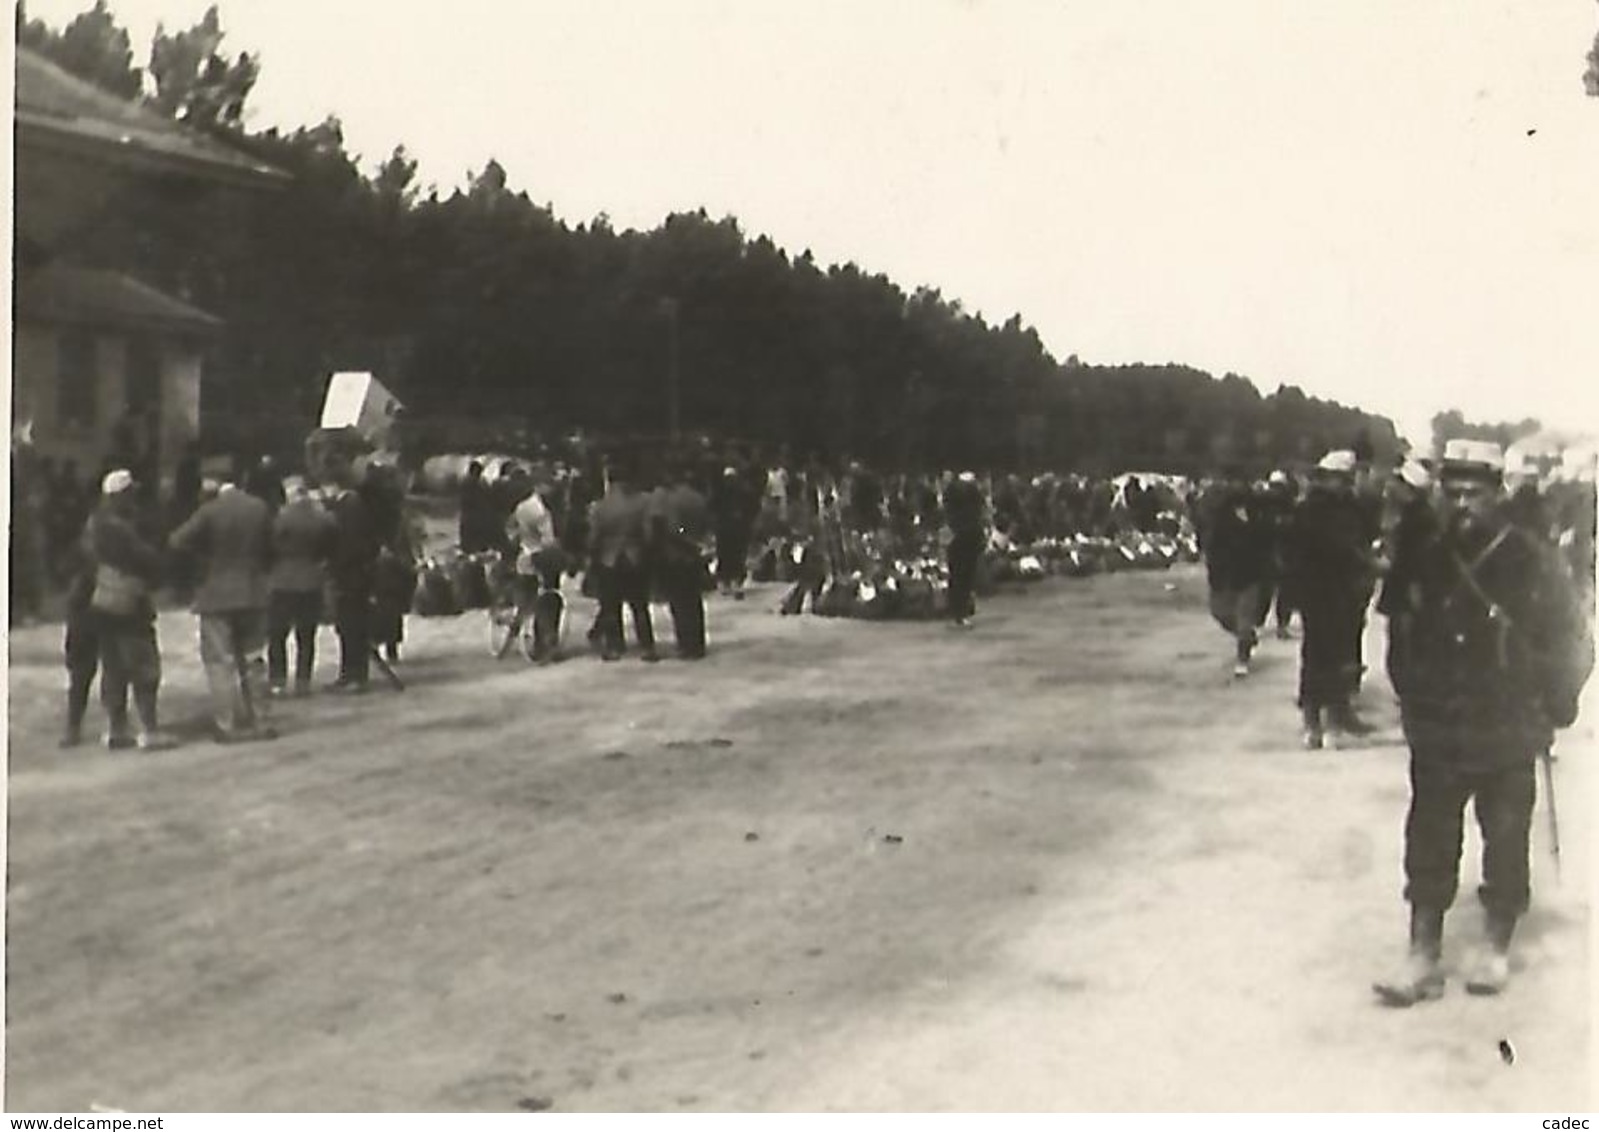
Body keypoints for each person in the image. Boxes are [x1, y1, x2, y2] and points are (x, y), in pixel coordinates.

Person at [1372, 440, 1592, 1005]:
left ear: (1498, 494)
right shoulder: (1422, 554)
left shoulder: (1532, 558)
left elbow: (1572, 643)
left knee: (1506, 834)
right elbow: (1399, 635)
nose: (1463, 502)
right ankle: (1422, 954)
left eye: (1476, 491)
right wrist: (1414, 700)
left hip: (1507, 719)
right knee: (1429, 834)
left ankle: (1495, 945)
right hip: (1441, 721)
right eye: (1453, 490)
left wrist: (1554, 705)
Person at [170, 478, 277, 743]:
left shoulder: (209, 510)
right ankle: (261, 720)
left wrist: (205, 555)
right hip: (252, 591)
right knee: (254, 659)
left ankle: (226, 724)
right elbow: (273, 546)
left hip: (216, 593)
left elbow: (177, 541)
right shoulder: (259, 507)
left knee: (220, 662)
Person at [1286, 450, 1380, 748]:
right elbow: (1337, 547)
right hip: (1322, 589)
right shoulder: (1312, 509)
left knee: (1340, 652)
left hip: (1343, 589)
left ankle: (1336, 715)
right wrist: (1366, 561)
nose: (1344, 484)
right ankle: (1316, 723)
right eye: (1341, 479)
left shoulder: (1346, 506)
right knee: (1319, 654)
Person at [82, 470, 177, 750]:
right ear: (121, 495)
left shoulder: (94, 523)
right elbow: (146, 559)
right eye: (130, 493)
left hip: (102, 599)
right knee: (144, 666)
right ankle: (149, 730)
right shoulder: (120, 528)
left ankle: (116, 728)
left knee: (112, 667)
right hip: (129, 602)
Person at [1202, 474, 1274, 677]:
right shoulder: (1219, 520)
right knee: (1222, 614)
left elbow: (1266, 543)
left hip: (1250, 575)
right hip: (1226, 575)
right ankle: (1246, 637)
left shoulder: (1258, 516)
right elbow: (1212, 547)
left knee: (1244, 618)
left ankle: (1243, 656)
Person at [267, 479, 335, 696]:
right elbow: (331, 544)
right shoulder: (323, 518)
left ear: (292, 494)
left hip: (283, 580)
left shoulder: (282, 517)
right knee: (306, 635)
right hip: (312, 579)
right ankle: (303, 680)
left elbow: (270, 544)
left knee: (277, 634)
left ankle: (277, 681)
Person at [589, 466, 658, 662]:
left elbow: (594, 537)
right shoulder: (643, 502)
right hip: (635, 557)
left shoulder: (601, 506)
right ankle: (647, 646)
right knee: (639, 605)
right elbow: (649, 533)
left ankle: (615, 646)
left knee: (611, 605)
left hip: (609, 558)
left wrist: (593, 556)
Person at [508, 464, 567, 663]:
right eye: (548, 484)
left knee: (547, 599)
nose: (552, 489)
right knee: (543, 600)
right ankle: (544, 641)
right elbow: (547, 539)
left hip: (537, 557)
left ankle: (546, 639)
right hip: (538, 558)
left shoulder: (530, 506)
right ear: (539, 486)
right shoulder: (535, 510)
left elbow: (513, 532)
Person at [653, 462, 712, 658]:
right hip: (695, 554)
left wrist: (685, 538)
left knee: (679, 603)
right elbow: (706, 525)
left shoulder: (671, 500)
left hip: (677, 555)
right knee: (694, 600)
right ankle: (698, 642)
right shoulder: (698, 498)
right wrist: (698, 542)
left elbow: (674, 529)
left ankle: (686, 644)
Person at [943, 470, 987, 628]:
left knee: (956, 576)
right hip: (969, 538)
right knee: (966, 577)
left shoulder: (951, 496)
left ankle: (957, 612)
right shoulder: (973, 496)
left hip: (957, 538)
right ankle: (961, 612)